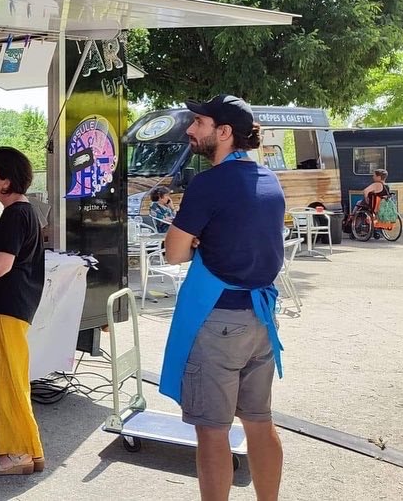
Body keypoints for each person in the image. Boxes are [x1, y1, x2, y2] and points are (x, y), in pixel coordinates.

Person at [161, 94, 286, 501]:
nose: (190, 129)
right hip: (261, 320)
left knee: (212, 432)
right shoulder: (269, 179)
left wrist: (198, 243)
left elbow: (174, 252)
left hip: (218, 322)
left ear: (225, 132)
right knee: (259, 422)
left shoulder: (209, 183)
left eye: (199, 122)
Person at [0, 147, 45, 476]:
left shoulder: (17, 214)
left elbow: (0, 267)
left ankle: (17, 453)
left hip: (5, 307)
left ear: (6, 182)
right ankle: (27, 449)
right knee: (7, 380)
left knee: (6, 382)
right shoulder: (19, 212)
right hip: (9, 307)